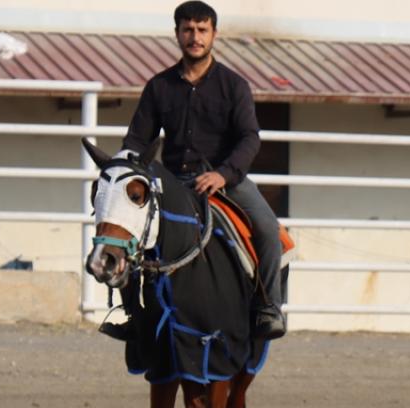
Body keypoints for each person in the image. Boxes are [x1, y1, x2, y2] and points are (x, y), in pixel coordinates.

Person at [105, 0, 285, 340]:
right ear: (177, 34)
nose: (195, 36)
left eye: (202, 30)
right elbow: (137, 138)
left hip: (224, 180)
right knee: (128, 225)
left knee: (267, 228)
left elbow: (249, 137)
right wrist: (122, 166)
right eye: (188, 29)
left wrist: (224, 173)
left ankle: (269, 307)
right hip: (171, 181)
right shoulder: (159, 86)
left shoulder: (234, 86)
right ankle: (131, 312)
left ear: (214, 34)